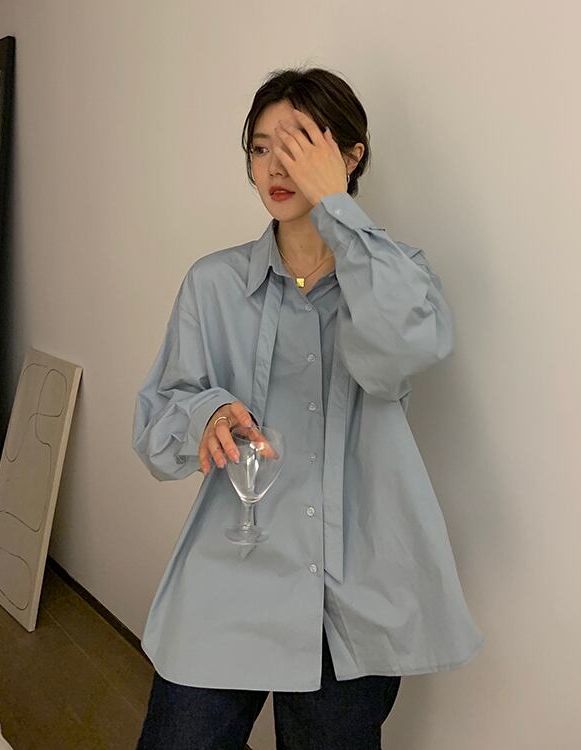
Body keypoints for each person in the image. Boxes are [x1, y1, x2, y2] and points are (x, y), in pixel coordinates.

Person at [132, 67, 484, 749]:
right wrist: (205, 414)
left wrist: (338, 209)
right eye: (260, 148)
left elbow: (407, 346)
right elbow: (156, 424)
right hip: (231, 569)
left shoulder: (395, 276)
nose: (275, 165)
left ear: (349, 156)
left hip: (350, 589)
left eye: (298, 146)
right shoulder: (213, 284)